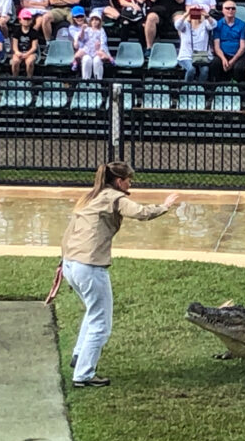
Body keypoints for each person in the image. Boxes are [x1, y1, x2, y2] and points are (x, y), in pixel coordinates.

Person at [61, 162, 179, 388]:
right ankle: (83, 375)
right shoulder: (114, 198)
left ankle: (79, 356)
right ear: (118, 181)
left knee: (92, 312)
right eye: (128, 180)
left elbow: (70, 231)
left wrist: (63, 264)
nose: (130, 183)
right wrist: (165, 206)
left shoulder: (89, 197)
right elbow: (141, 213)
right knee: (101, 323)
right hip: (89, 266)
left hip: (70, 263)